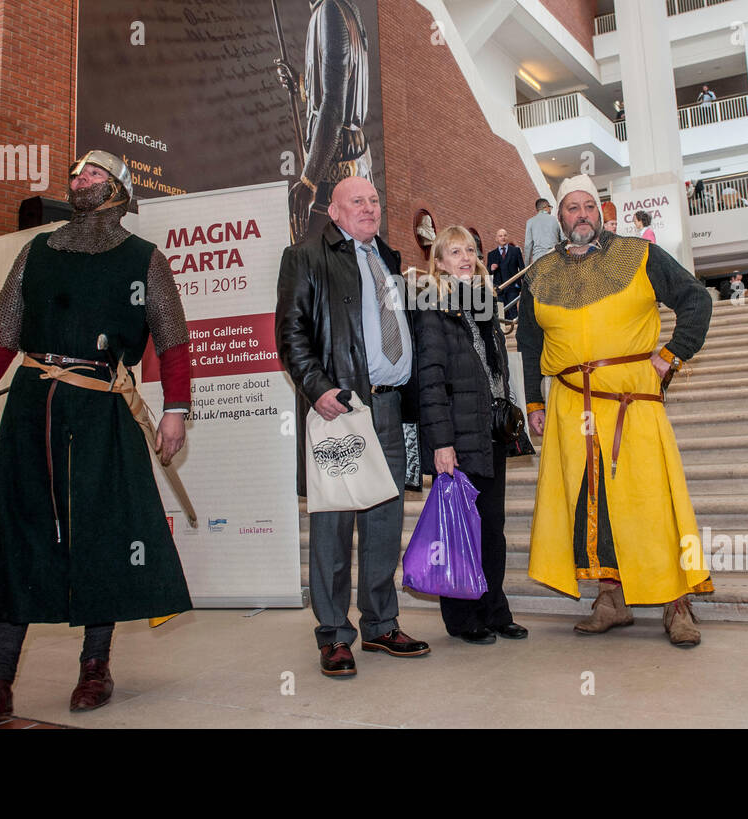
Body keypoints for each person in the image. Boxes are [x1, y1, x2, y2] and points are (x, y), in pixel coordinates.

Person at [0, 150, 194, 724]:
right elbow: (1, 331)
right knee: (18, 532)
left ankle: (94, 664)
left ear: (119, 191)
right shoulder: (36, 251)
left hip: (102, 408)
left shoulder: (144, 261)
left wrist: (176, 410)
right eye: (76, 174)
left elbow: (174, 343)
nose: (77, 180)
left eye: (91, 174)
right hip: (33, 404)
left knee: (102, 533)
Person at [517, 174, 713, 646]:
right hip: (569, 408)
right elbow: (529, 342)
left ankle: (676, 603)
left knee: (649, 503)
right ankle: (611, 599)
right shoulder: (540, 274)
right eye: (571, 208)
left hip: (631, 403)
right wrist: (534, 400)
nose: (581, 215)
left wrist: (671, 354)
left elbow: (696, 300)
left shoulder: (639, 255)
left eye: (588, 206)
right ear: (559, 217)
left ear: (601, 212)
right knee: (592, 503)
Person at [275, 175, 430, 677]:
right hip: (339, 408)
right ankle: (334, 635)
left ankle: (381, 624)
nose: (369, 207)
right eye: (356, 201)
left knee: (385, 523)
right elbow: (291, 332)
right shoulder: (305, 257)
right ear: (334, 213)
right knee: (334, 525)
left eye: (374, 200)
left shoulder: (389, 259)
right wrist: (318, 389)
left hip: (389, 409)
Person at [415, 225, 527, 645]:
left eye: (470, 251)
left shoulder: (484, 303)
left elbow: (496, 371)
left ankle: (495, 610)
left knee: (491, 527)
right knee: (461, 529)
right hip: (458, 437)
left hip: (491, 431)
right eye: (454, 251)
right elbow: (431, 380)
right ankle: (463, 618)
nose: (465, 257)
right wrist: (441, 444)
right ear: (439, 262)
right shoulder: (432, 307)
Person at [276, 0, 374, 244]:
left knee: (321, 272)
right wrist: (302, 84)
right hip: (355, 161)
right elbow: (336, 90)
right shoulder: (351, 13)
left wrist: (308, 181)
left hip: (334, 172)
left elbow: (333, 105)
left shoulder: (331, 10)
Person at [487, 228, 524, 314]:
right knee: (502, 313)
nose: (503, 237)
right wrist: (491, 269)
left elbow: (522, 269)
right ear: (496, 239)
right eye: (500, 236)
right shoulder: (491, 254)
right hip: (499, 289)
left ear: (507, 237)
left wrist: (524, 287)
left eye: (505, 235)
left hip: (513, 287)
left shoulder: (516, 251)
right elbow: (487, 272)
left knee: (513, 311)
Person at [524, 197, 563, 263]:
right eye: (550, 207)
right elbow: (563, 240)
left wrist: (526, 265)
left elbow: (528, 246)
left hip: (538, 260)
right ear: (546, 207)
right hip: (554, 258)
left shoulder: (530, 222)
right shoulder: (555, 220)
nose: (550, 210)